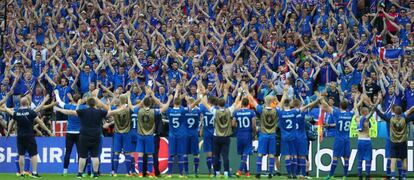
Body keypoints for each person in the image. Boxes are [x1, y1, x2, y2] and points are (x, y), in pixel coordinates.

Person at [54, 92, 112, 178]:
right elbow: (106, 110)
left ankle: (69, 171)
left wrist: (56, 94)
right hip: (86, 134)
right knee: (93, 155)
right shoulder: (86, 108)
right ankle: (92, 173)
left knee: (78, 154)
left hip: (75, 133)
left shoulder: (76, 108)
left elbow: (63, 105)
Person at [1, 97, 53, 178]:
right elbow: (40, 122)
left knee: (21, 154)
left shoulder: (17, 112)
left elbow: (11, 122)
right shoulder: (31, 112)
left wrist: (8, 132)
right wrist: (48, 131)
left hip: (20, 136)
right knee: (33, 154)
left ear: (21, 104)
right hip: (29, 136)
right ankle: (34, 173)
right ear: (28, 103)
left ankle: (21, 173)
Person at [129, 88, 172, 178]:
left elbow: (131, 107)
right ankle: (150, 172)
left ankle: (140, 173)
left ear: (143, 103)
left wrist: (129, 96)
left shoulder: (139, 111)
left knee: (140, 154)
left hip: (140, 135)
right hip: (150, 136)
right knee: (150, 154)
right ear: (150, 104)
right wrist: (169, 100)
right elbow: (164, 108)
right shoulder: (153, 111)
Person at [322, 97, 358, 179]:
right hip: (347, 139)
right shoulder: (350, 114)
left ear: (340, 106)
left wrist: (322, 99)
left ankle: (330, 175)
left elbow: (327, 106)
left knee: (335, 157)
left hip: (339, 138)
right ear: (347, 107)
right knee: (346, 158)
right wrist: (356, 99)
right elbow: (355, 107)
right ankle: (345, 176)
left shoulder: (337, 113)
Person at [375, 104, 414, 180]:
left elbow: (381, 115)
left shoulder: (390, 119)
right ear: (401, 112)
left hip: (393, 141)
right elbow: (412, 115)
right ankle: (404, 176)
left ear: (393, 111)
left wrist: (375, 109)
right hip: (402, 142)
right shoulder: (405, 119)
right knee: (403, 159)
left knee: (392, 159)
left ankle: (392, 175)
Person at [54, 90, 85, 176]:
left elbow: (59, 102)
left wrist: (56, 93)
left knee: (68, 152)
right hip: (79, 133)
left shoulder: (68, 106)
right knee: (80, 153)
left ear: (73, 100)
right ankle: (80, 172)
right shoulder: (83, 107)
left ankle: (65, 171)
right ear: (79, 100)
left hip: (69, 132)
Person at [232, 97, 256, 178]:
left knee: (243, 153)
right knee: (246, 153)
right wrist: (254, 133)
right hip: (247, 133)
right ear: (248, 104)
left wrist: (238, 126)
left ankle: (247, 172)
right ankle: (239, 170)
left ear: (241, 104)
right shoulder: (251, 112)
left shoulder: (236, 112)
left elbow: (233, 124)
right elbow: (253, 125)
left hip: (239, 134)